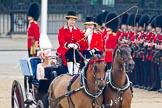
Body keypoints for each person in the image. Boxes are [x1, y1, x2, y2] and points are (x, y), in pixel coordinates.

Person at [56, 11, 82, 75]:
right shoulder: (62, 30)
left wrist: (77, 45)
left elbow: (79, 40)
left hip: (74, 49)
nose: (73, 22)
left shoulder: (77, 30)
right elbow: (61, 41)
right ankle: (70, 73)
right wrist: (68, 45)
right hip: (64, 49)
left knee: (78, 55)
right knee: (70, 53)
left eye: (74, 20)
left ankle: (76, 73)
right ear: (67, 20)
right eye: (71, 20)